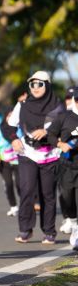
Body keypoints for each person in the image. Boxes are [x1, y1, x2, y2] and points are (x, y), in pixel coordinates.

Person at [3, 71, 63, 244]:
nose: (35, 88)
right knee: (27, 190)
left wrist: (47, 131)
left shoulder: (58, 107)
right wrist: (14, 139)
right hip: (27, 152)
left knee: (48, 194)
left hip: (50, 154)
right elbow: (8, 126)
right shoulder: (22, 105)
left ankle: (49, 231)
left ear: (48, 85)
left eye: (40, 84)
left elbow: (66, 127)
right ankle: (25, 230)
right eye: (32, 84)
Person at [47, 87, 78, 251]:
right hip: (67, 165)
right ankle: (73, 223)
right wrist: (60, 144)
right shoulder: (64, 117)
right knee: (68, 198)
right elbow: (50, 135)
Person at [0, 108, 20, 217]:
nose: (11, 118)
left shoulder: (19, 128)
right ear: (5, 117)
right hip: (4, 161)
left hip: (18, 160)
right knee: (8, 184)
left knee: (20, 184)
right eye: (9, 116)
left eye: (13, 116)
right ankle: (13, 206)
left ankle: (26, 204)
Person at [59, 86, 77, 234]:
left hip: (74, 161)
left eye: (74, 98)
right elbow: (50, 133)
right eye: (68, 98)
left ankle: (73, 221)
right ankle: (68, 218)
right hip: (60, 160)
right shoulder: (60, 115)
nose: (70, 101)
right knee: (65, 193)